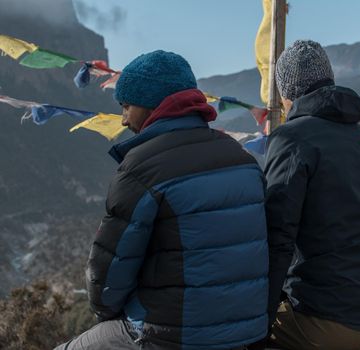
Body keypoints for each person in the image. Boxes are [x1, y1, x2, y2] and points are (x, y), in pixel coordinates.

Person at [55, 50, 269, 350]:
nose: (124, 118)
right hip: (247, 332)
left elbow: (107, 282)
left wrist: (110, 315)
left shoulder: (142, 167)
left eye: (126, 106)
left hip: (173, 335)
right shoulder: (243, 159)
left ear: (152, 105)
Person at [263, 40, 360, 350]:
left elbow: (276, 239)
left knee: (225, 332)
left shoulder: (291, 138)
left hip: (324, 323)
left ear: (286, 94)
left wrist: (260, 320)